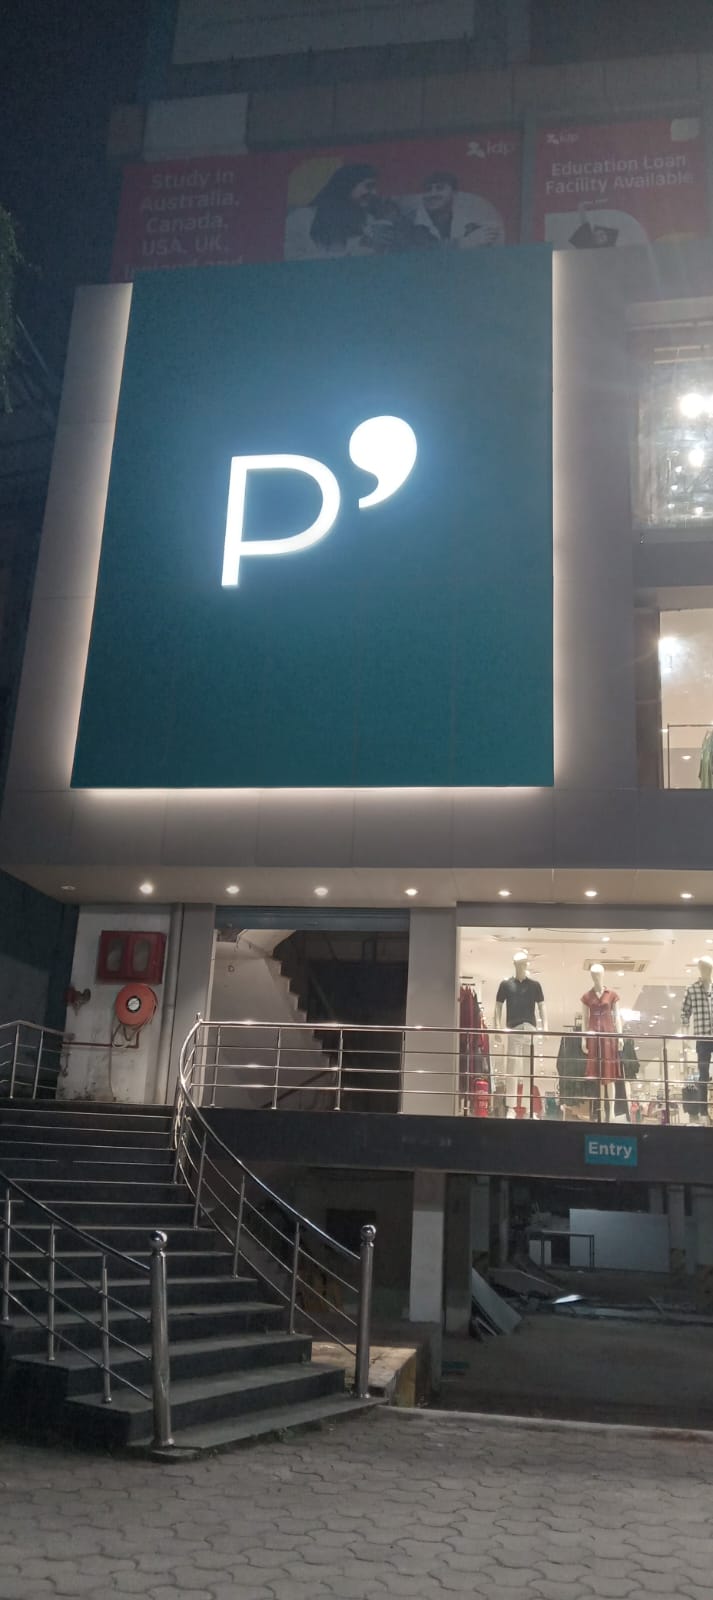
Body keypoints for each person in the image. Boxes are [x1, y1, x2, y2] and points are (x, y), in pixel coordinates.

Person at [284, 162, 431, 259]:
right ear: (346, 185)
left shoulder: (369, 221)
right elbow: (292, 261)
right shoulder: (301, 218)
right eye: (369, 186)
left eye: (375, 187)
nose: (374, 193)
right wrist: (355, 250)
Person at [406, 170, 504, 247]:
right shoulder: (407, 222)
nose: (433, 194)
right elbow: (421, 251)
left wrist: (489, 234)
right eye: (428, 189)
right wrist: (463, 243)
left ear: (454, 194)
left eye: (439, 188)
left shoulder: (466, 223)